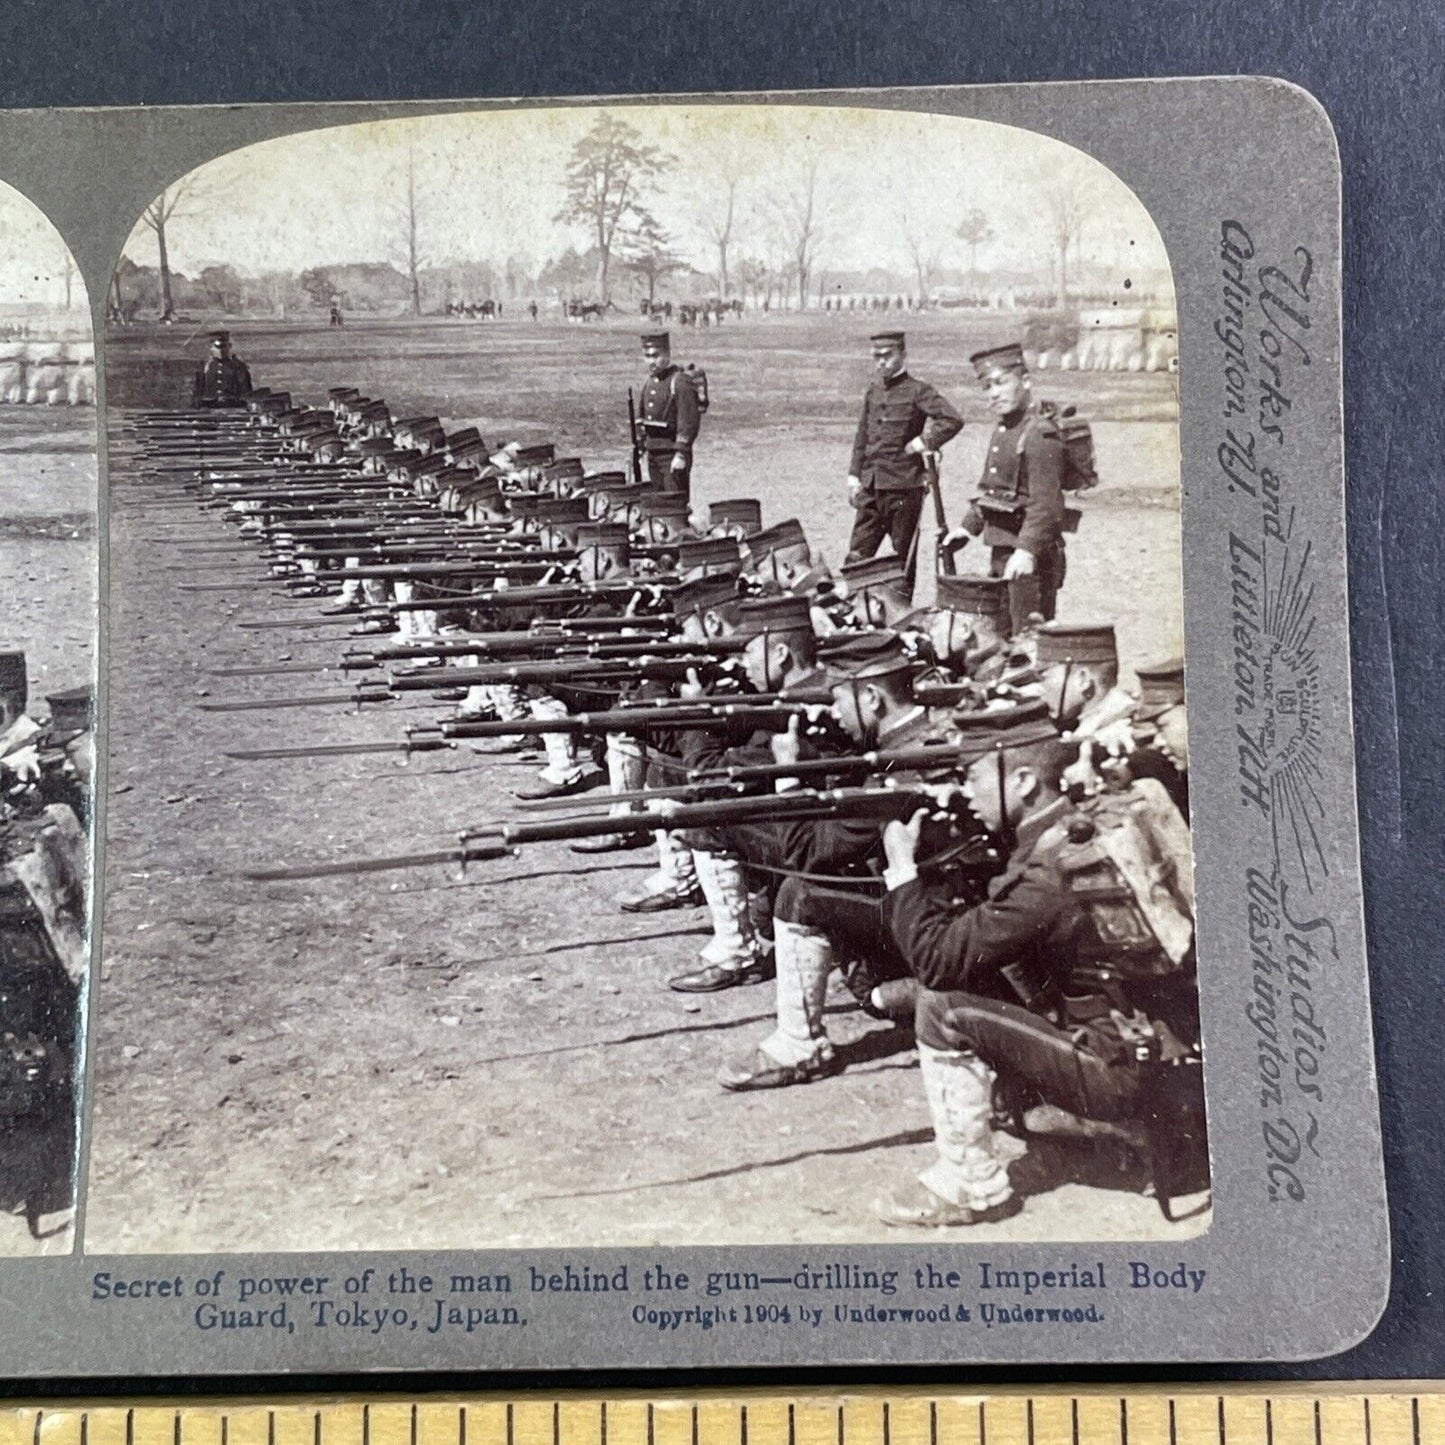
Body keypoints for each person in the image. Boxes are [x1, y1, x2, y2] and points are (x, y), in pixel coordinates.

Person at [874, 702, 1200, 1228]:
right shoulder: (1073, 829)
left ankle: (970, 1185)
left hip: (1115, 1066)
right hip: (1151, 1044)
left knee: (941, 1005)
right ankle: (1096, 1130)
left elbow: (937, 960)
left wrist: (903, 874)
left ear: (1023, 781)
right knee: (967, 982)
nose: (965, 792)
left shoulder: (1049, 873)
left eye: (974, 777)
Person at [960, 343, 1068, 632]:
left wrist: (1027, 551)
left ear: (1026, 381)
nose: (994, 393)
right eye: (987, 386)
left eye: (1000, 383)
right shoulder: (1004, 431)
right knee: (1003, 636)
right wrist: (968, 527)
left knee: (1028, 639)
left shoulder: (1040, 433)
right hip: (1004, 552)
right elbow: (992, 489)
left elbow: (1047, 505)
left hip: (1032, 559)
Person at [845, 331, 963, 596]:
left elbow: (952, 420)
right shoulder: (873, 391)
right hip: (871, 488)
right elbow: (862, 436)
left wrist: (923, 442)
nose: (881, 363)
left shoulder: (917, 391)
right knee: (856, 558)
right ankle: (852, 614)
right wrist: (854, 478)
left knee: (902, 562)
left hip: (904, 488)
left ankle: (899, 617)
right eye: (877, 357)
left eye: (888, 356)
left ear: (903, 355)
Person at [635, 332, 701, 498]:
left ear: (667, 354)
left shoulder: (679, 381)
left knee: (674, 505)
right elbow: (642, 417)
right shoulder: (650, 383)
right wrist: (641, 445)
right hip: (653, 454)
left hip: (672, 454)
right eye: (647, 356)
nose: (651, 361)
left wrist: (681, 454)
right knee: (658, 506)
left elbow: (688, 422)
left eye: (656, 355)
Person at [190, 330, 253, 408]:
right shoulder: (204, 367)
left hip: (232, 407)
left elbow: (246, 391)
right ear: (211, 347)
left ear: (229, 346)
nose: (221, 350)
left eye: (224, 346)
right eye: (217, 347)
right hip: (208, 407)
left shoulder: (239, 366)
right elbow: (197, 390)